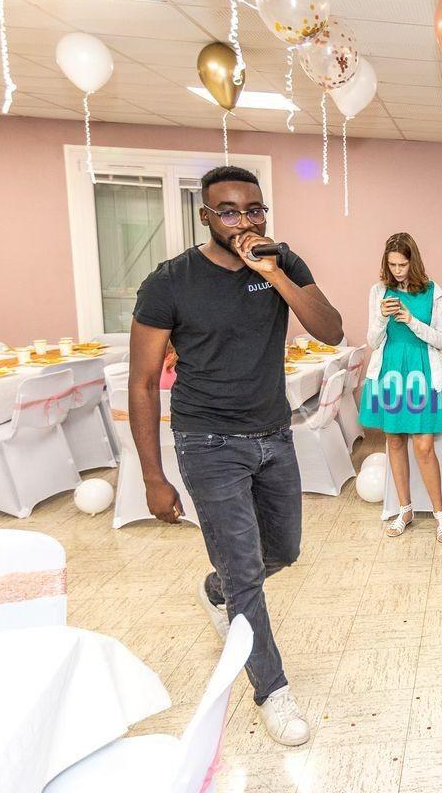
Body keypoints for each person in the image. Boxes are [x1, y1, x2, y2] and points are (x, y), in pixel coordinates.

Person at [129, 165, 343, 747]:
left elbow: (330, 329)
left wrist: (272, 273)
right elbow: (144, 381)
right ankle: (272, 690)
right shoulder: (170, 281)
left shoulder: (281, 261)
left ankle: (218, 587)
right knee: (248, 571)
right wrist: (153, 476)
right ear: (206, 216)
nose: (245, 221)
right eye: (229, 211)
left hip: (273, 433)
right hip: (207, 441)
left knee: (286, 550)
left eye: (254, 209)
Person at [361, 232, 442, 543]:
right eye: (392, 265)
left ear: (413, 261)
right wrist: (383, 320)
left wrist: (411, 320)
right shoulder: (378, 291)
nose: (397, 270)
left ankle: (440, 515)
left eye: (402, 264)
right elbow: (372, 341)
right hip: (389, 371)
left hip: (422, 372)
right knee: (395, 442)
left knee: (424, 446)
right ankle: (405, 509)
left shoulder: (433, 290)